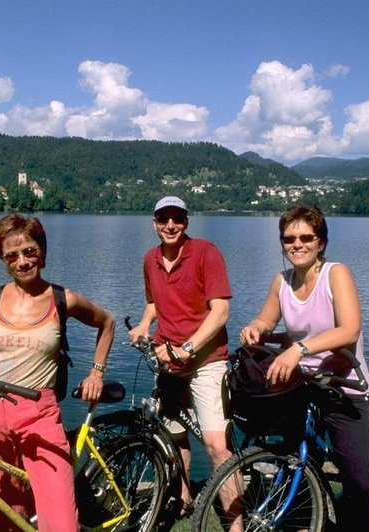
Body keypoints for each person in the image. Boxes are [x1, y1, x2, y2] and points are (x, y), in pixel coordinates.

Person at [0, 214, 115, 532]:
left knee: (61, 524)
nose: (22, 262)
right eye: (11, 255)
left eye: (30, 251)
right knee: (3, 520)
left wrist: (96, 373)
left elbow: (107, 323)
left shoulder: (63, 300)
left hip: (40, 418)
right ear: (2, 260)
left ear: (42, 251)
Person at [240, 205, 369, 530]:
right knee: (296, 466)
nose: (297, 244)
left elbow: (349, 329)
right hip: (305, 388)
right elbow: (267, 318)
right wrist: (257, 326)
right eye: (289, 238)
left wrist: (299, 348)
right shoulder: (282, 281)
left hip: (346, 390)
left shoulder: (336, 274)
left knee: (362, 485)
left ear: (321, 242)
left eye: (306, 237)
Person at [127, 196, 234, 518]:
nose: (170, 225)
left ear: (186, 222)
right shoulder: (150, 259)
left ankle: (236, 522)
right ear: (154, 223)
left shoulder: (205, 252)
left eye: (177, 219)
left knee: (216, 445)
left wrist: (187, 347)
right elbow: (154, 304)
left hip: (206, 360)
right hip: (167, 362)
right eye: (163, 219)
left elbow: (221, 311)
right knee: (174, 438)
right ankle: (183, 499)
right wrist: (144, 326)